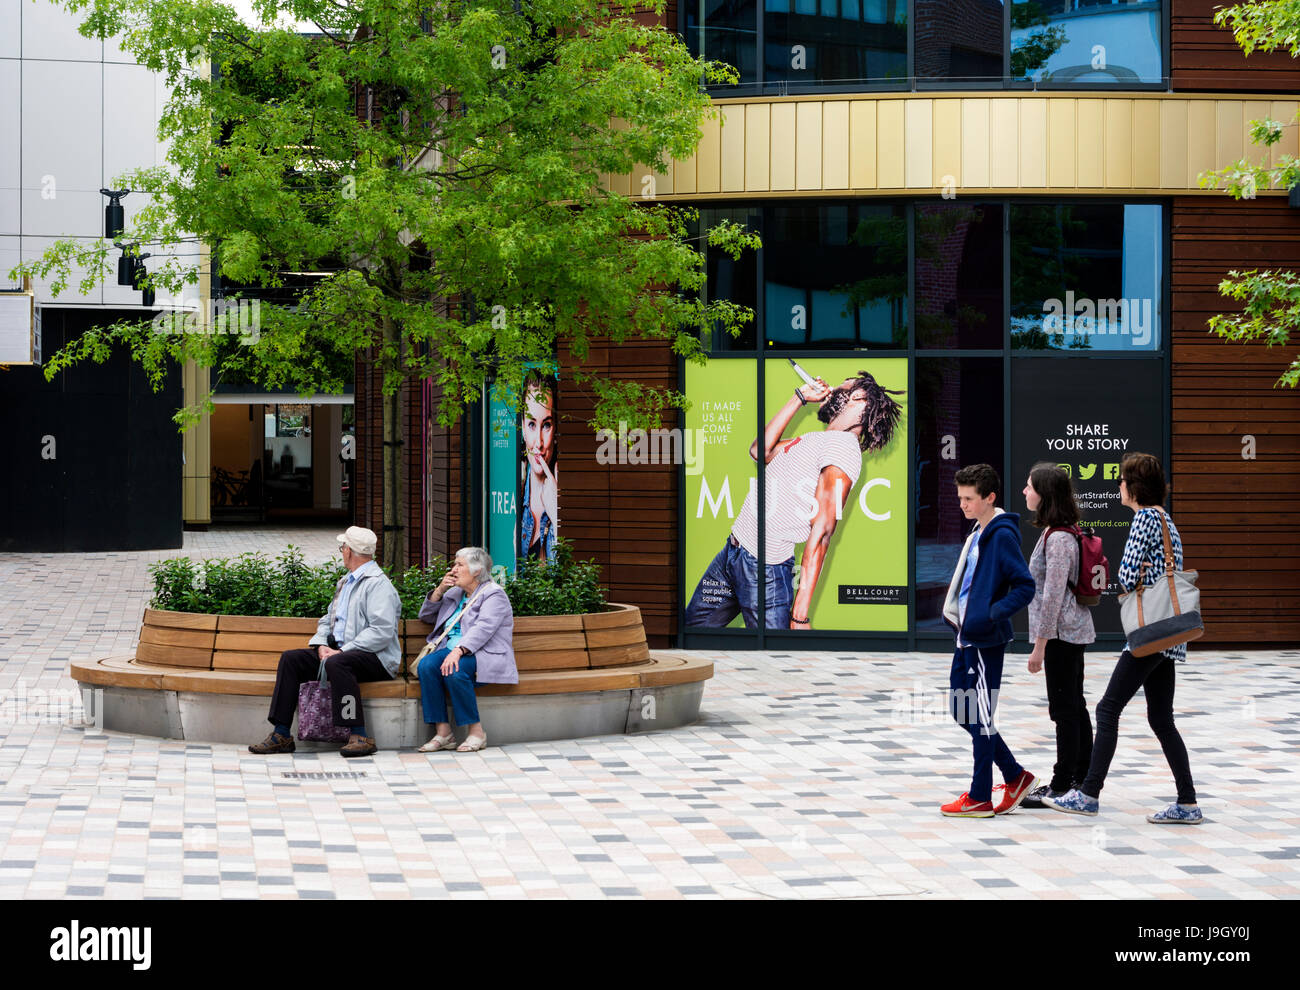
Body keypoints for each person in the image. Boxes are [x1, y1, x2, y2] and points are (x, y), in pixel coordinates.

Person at [1044, 452, 1201, 824]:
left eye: (1122, 480)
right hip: (1170, 632)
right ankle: (1188, 802)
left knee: (1107, 708)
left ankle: (1088, 794)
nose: (1118, 486)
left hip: (1149, 633)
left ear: (1133, 487)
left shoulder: (1144, 518)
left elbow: (1127, 576)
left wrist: (1133, 575)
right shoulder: (1166, 519)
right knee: (1162, 719)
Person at [684, 370, 904, 630]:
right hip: (732, 554)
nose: (831, 389)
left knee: (775, 659)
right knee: (693, 632)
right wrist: (799, 397)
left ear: (857, 396)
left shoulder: (842, 450)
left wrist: (799, 614)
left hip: (764, 569)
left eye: (840, 387)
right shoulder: (816, 439)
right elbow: (759, 451)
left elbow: (822, 533)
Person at [939, 464, 1039, 818]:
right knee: (961, 709)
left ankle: (980, 796)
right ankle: (1014, 775)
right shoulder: (978, 532)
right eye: (960, 498)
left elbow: (1025, 585)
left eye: (969, 499)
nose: (962, 504)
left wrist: (992, 613)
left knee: (979, 716)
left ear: (989, 497)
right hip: (966, 636)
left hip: (984, 639)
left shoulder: (1001, 535)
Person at [250, 526, 400, 758]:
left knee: (339, 664)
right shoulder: (346, 582)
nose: (342, 552)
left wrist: (342, 652)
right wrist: (321, 644)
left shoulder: (378, 585)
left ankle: (359, 735)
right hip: (341, 654)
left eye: (343, 548)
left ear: (349, 551)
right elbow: (328, 619)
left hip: (377, 658)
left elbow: (381, 631)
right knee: (292, 659)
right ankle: (281, 734)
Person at [1019, 462, 1096, 809]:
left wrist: (1039, 646)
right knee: (1073, 707)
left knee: (1064, 709)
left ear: (1045, 494)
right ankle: (1083, 776)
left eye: (1029, 486)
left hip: (1063, 634)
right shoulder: (1057, 532)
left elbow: (1052, 596)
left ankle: (1063, 783)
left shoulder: (1060, 538)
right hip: (1068, 632)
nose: (1024, 491)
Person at [416, 547, 517, 753]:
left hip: (482, 653)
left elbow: (484, 628)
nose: (453, 569)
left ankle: (477, 732)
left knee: (454, 670)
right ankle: (444, 733)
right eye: (455, 564)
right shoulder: (455, 593)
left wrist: (459, 650)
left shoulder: (493, 594)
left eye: (459, 565)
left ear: (477, 571)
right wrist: (439, 591)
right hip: (451, 650)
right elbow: (426, 617)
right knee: (427, 666)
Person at [519, 373, 558, 562]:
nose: (539, 443)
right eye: (532, 424)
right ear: (523, 428)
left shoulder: (561, 494)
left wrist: (555, 511)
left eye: (547, 425)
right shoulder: (516, 494)